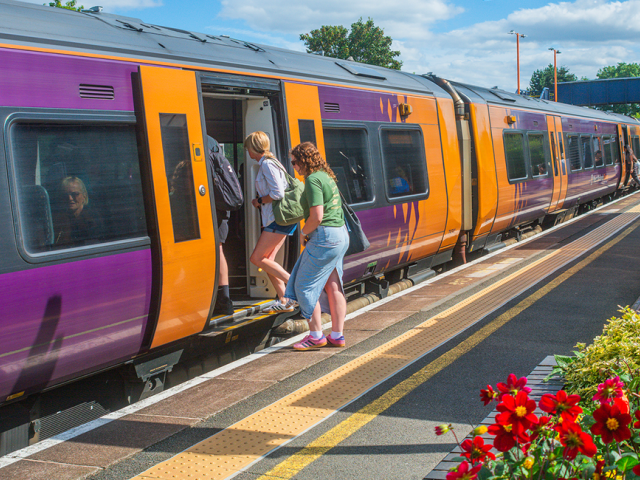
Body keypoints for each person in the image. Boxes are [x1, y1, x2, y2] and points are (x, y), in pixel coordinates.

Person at [285, 142, 350, 351]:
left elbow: (317, 216)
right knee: (333, 285)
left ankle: (315, 336)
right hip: (340, 234)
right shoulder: (326, 175)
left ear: (304, 160)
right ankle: (337, 335)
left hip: (324, 237)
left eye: (295, 162)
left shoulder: (312, 179)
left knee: (303, 286)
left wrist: (304, 233)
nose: (294, 167)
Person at [244, 131, 297, 313]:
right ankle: (285, 300)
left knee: (257, 258)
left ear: (253, 148)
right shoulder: (270, 162)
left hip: (278, 219)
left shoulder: (267, 164)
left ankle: (296, 287)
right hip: (275, 219)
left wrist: (258, 201)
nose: (247, 152)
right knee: (267, 260)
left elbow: (277, 194)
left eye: (248, 148)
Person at [208, 137, 235, 316]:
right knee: (218, 250)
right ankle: (223, 299)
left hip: (213, 210)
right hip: (222, 210)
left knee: (217, 251)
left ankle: (223, 300)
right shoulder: (212, 143)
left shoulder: (197, 138)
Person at [53, 176, 101, 247]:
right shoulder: (58, 220)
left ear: (84, 196)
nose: (70, 198)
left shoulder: (91, 220)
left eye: (75, 194)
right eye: (65, 195)